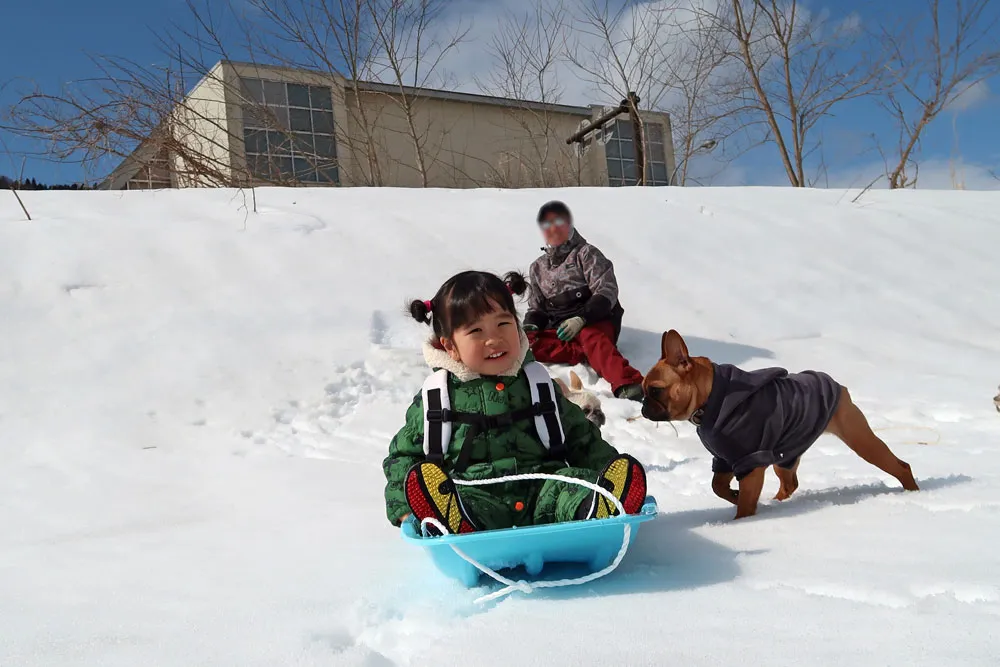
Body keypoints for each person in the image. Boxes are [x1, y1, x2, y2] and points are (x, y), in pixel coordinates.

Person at [382, 269, 647, 533]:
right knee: (456, 498)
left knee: (573, 484)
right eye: (476, 330)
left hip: (542, 491)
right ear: (450, 346)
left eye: (503, 324)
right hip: (474, 497)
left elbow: (581, 438)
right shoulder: (438, 397)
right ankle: (448, 521)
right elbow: (403, 456)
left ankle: (601, 507)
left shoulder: (537, 385)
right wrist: (404, 507)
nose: (494, 339)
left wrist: (608, 471)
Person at [523, 200, 645, 402]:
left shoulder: (586, 254)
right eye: (547, 225)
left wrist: (581, 319)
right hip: (560, 328)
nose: (553, 229)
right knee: (526, 344)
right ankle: (584, 353)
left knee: (591, 337)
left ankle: (627, 382)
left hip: (594, 321)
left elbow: (606, 290)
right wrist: (529, 327)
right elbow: (537, 307)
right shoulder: (537, 268)